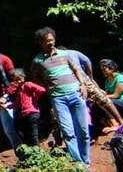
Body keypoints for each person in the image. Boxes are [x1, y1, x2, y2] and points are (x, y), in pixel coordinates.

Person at [32, 27, 92, 164]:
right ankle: (79, 164)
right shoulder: (37, 61)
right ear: (40, 42)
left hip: (76, 95)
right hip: (58, 99)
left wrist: (82, 85)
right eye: (47, 41)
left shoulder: (65, 54)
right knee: (68, 133)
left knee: (84, 131)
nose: (50, 43)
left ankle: (86, 161)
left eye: (52, 40)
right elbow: (35, 76)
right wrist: (46, 87)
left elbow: (76, 69)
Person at [64, 46, 123, 132]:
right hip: (82, 81)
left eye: (105, 69)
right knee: (100, 102)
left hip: (70, 85)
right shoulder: (73, 53)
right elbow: (87, 61)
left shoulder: (119, 78)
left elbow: (115, 95)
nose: (103, 71)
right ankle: (116, 122)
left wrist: (91, 78)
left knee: (98, 102)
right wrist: (90, 77)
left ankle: (117, 122)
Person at [3, 68, 47, 147]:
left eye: (20, 79)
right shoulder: (19, 89)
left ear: (23, 77)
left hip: (32, 113)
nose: (19, 81)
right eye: (16, 80)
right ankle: (31, 151)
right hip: (25, 114)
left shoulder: (28, 84)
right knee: (23, 132)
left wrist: (35, 98)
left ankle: (38, 152)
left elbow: (42, 90)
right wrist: (7, 106)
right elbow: (18, 103)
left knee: (33, 135)